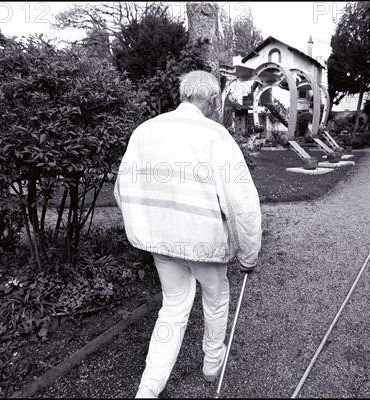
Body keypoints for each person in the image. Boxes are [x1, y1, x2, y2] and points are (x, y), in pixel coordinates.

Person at [113, 70, 262, 398]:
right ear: (212, 100)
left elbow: (122, 190)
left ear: (183, 95)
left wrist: (145, 227)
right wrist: (249, 255)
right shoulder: (215, 135)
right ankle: (211, 362)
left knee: (174, 307)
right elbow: (242, 204)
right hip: (204, 243)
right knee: (215, 298)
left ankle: (148, 389)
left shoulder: (144, 132)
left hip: (163, 243)